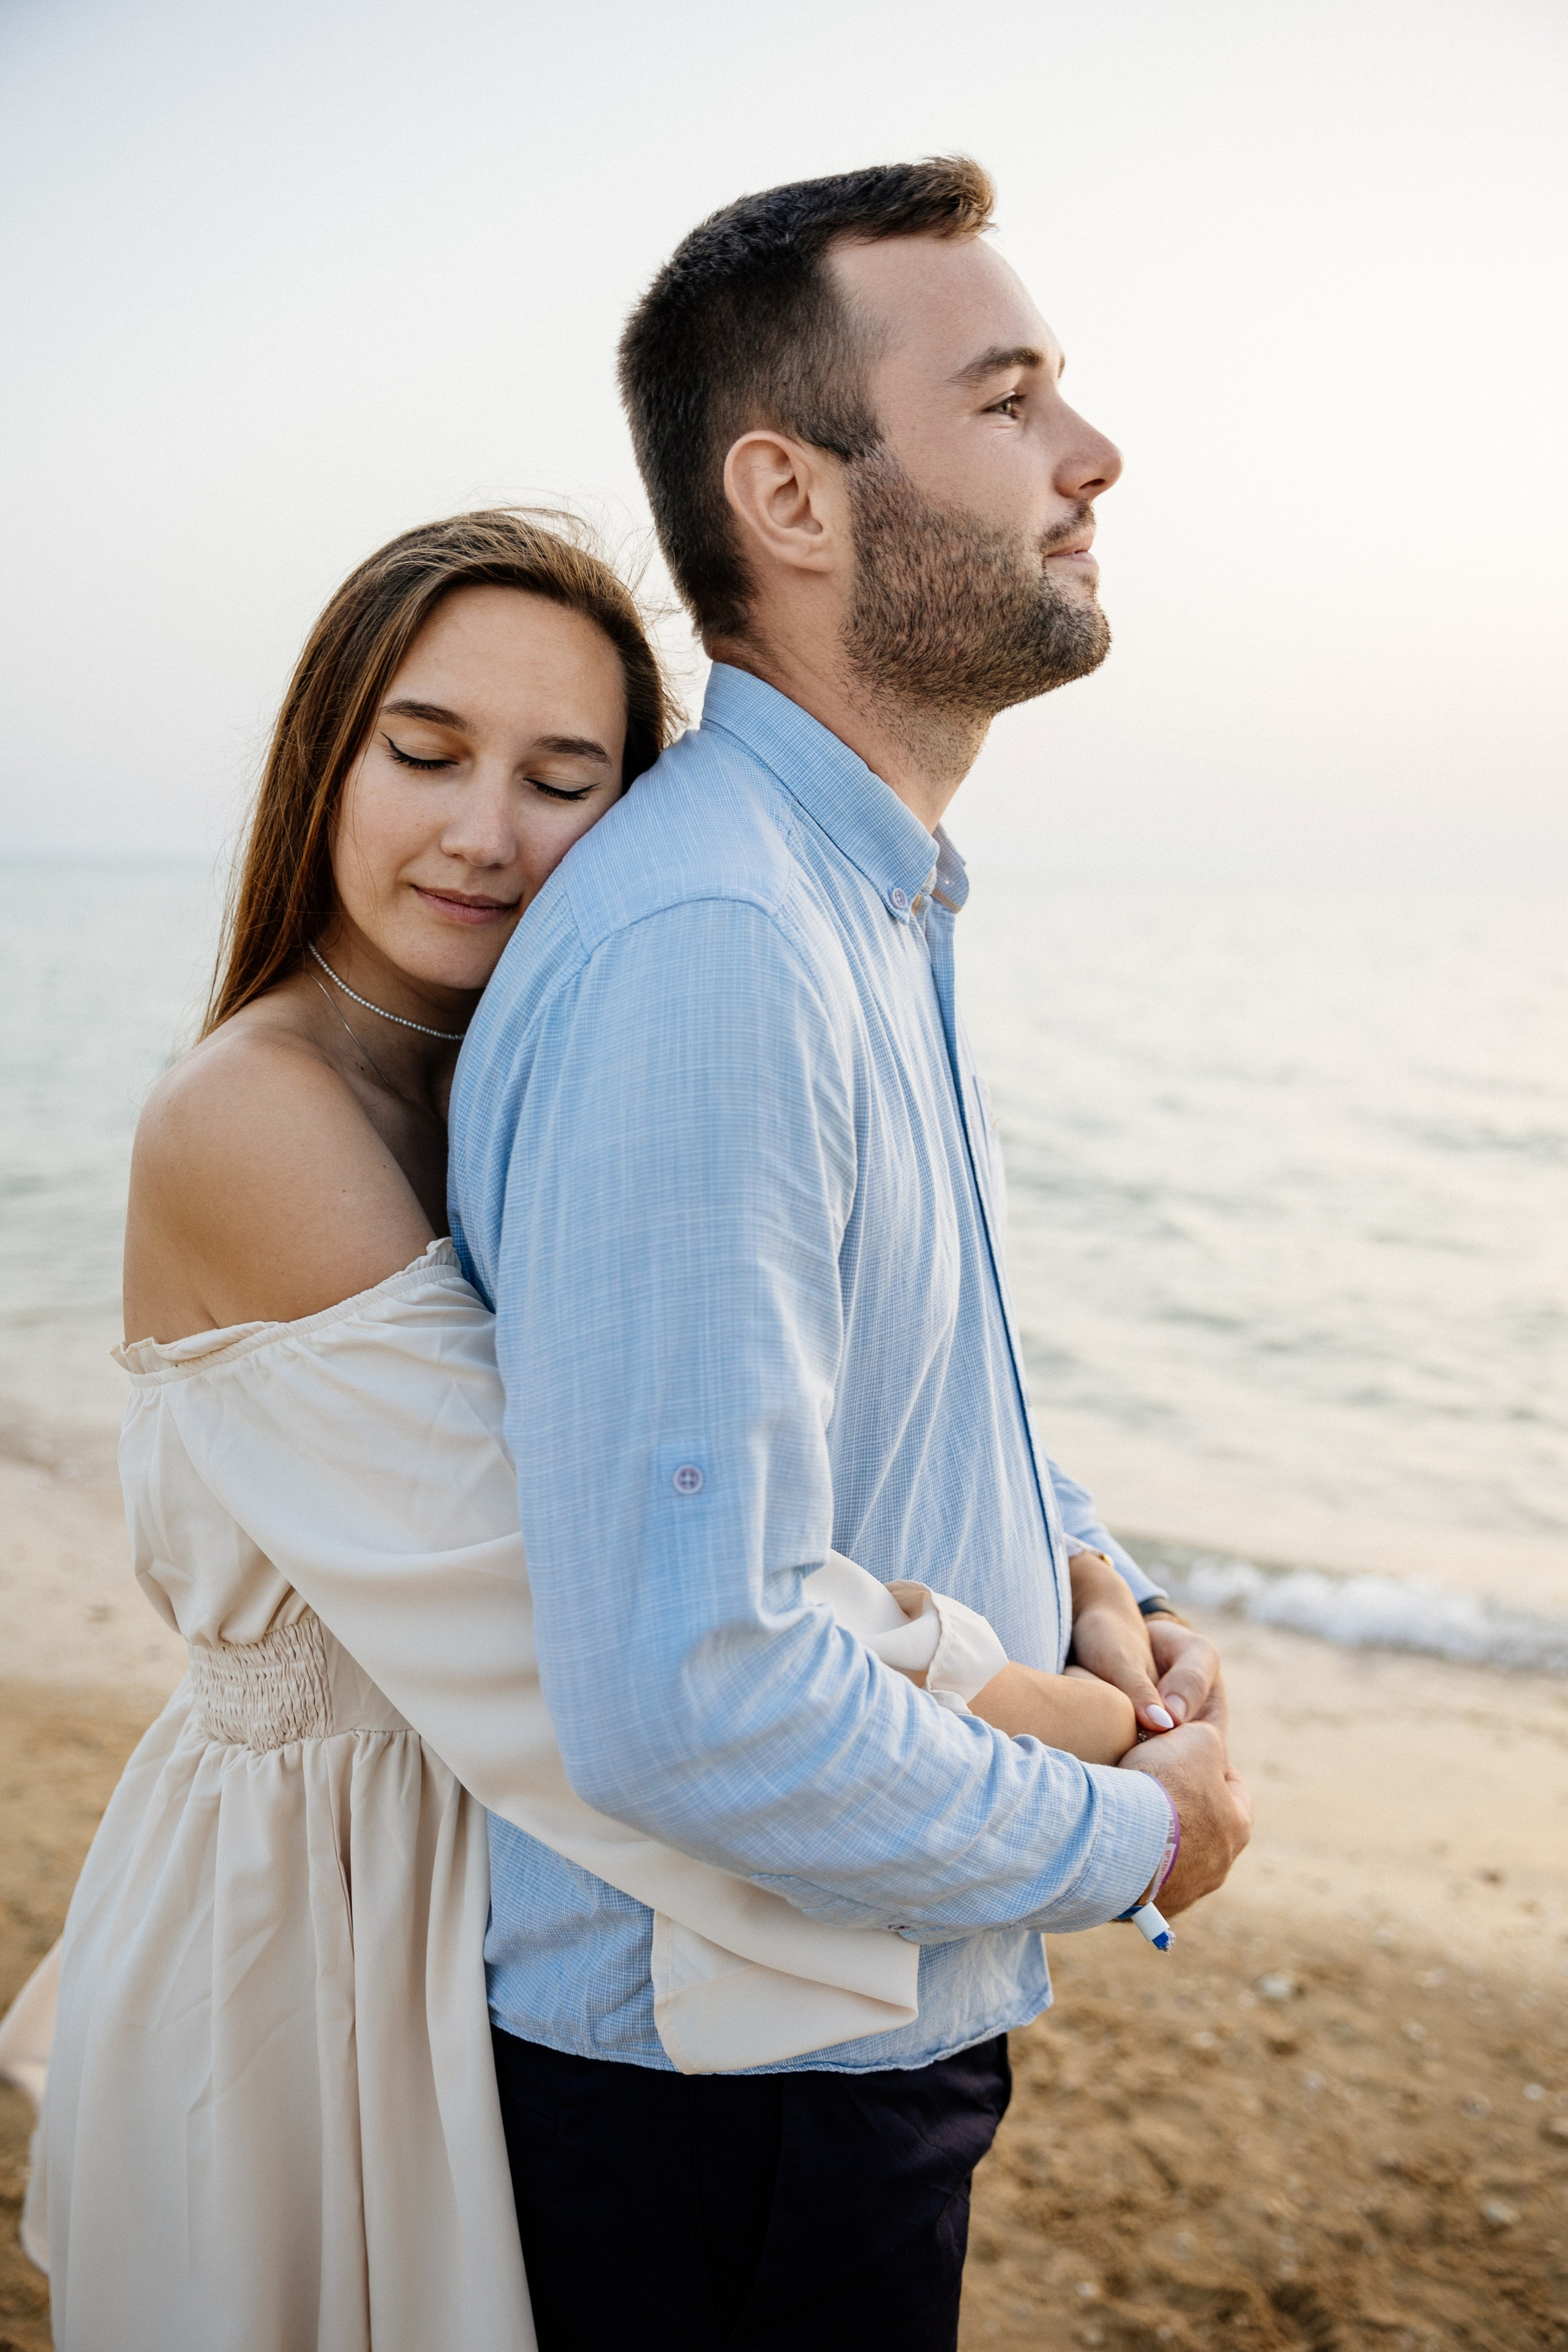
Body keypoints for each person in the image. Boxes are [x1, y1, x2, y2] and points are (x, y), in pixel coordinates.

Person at [2, 505, 1207, 2352]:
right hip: (324, 1896)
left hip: (502, 1862)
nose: (488, 832)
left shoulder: (534, 1056)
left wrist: (1081, 1563)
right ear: (325, 757)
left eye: (564, 779)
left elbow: (845, 1389)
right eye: (426, 754)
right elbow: (597, 1609)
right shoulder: (254, 1119)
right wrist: (1073, 1721)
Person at [451, 159, 1253, 2352]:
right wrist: (1136, 1833)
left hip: (816, 2050)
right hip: (735, 2099)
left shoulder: (848, 900)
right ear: (792, 498)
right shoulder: (723, 943)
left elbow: (889, 1388)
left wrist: (1098, 1578)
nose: (1093, 455)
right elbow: (696, 1689)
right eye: (1008, 400)